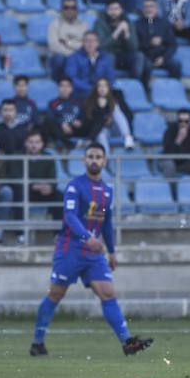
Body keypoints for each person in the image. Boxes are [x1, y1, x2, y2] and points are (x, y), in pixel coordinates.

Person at [29, 143, 152, 358]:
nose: (94, 160)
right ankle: (37, 343)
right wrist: (88, 237)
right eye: (90, 156)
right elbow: (70, 217)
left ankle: (127, 342)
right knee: (56, 294)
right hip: (70, 248)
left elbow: (107, 222)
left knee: (108, 293)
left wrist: (112, 251)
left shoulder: (107, 190)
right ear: (84, 161)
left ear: (104, 162)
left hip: (94, 252)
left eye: (98, 157)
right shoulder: (75, 187)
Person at [5, 130, 62, 227]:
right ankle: (20, 234)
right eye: (31, 142)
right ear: (25, 143)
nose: (34, 145)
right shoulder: (17, 156)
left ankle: (58, 234)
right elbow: (15, 179)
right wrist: (33, 186)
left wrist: (50, 187)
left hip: (42, 192)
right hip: (24, 191)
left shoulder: (48, 157)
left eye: (37, 142)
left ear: (42, 144)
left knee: (59, 196)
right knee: (19, 194)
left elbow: (53, 178)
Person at [94, 0, 146, 84]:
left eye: (116, 9)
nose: (113, 12)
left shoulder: (128, 22)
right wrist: (116, 33)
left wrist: (126, 33)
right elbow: (101, 46)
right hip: (109, 54)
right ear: (106, 10)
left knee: (139, 56)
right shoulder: (100, 23)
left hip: (124, 55)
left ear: (121, 10)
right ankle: (110, 86)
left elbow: (134, 47)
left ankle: (133, 84)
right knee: (108, 56)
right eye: (111, 9)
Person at [136, 0, 181, 80]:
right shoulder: (137, 24)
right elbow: (135, 45)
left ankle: (172, 90)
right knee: (145, 66)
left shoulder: (164, 23)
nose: (148, 9)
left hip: (162, 57)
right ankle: (144, 92)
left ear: (157, 9)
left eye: (151, 7)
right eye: (146, 7)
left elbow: (172, 44)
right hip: (146, 57)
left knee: (176, 65)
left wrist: (164, 58)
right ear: (142, 9)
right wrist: (149, 42)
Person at [47, 0, 89, 81]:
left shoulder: (84, 25)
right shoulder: (54, 24)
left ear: (77, 9)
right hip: (63, 57)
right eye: (66, 7)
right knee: (59, 59)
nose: (70, 10)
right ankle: (59, 84)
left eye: (73, 8)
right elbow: (54, 46)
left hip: (78, 56)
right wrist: (72, 55)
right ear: (62, 9)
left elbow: (87, 45)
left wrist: (68, 43)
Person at [65, 31, 115, 101]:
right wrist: (91, 89)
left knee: (118, 94)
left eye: (93, 41)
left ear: (97, 43)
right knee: (90, 96)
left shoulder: (104, 58)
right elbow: (71, 78)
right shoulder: (74, 57)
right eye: (87, 41)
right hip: (81, 90)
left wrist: (103, 88)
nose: (90, 44)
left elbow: (111, 77)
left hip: (101, 89)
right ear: (83, 43)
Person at [160, 109, 190, 178]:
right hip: (170, 161)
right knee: (169, 165)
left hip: (186, 162)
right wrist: (178, 140)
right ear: (177, 121)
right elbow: (167, 153)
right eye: (180, 121)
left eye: (186, 121)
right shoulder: (170, 131)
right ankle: (171, 189)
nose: (183, 124)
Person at [43, 77, 83, 149]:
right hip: (59, 130)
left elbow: (82, 119)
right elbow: (50, 118)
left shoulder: (77, 103)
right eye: (62, 86)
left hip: (74, 130)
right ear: (58, 88)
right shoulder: (53, 103)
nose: (65, 89)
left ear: (72, 88)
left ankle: (90, 141)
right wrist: (62, 123)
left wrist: (79, 122)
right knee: (47, 122)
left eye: (67, 86)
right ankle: (69, 144)